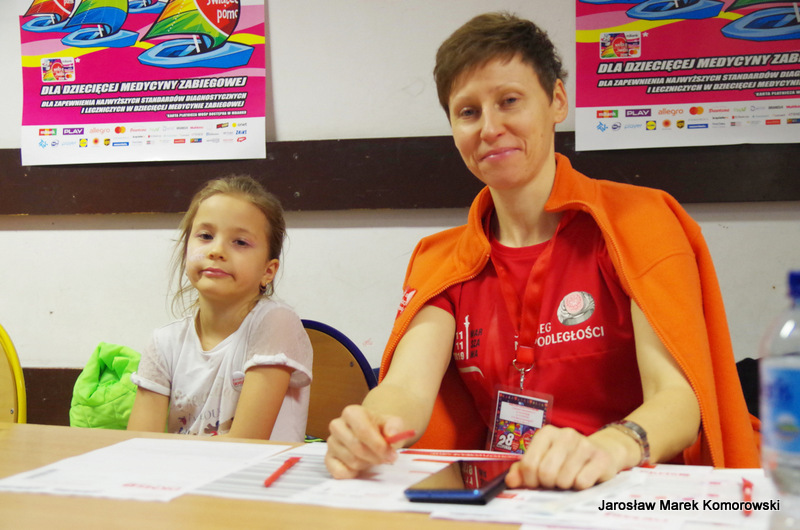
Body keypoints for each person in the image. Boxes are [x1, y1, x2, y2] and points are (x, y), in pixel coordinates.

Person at [324, 12, 759, 490]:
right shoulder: (441, 259)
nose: (490, 128)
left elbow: (677, 398)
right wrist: (371, 428)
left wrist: (609, 447)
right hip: (510, 494)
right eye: (468, 112)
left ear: (557, 101)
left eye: (509, 101)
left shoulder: (640, 222)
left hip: (630, 489)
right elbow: (406, 388)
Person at [128, 175, 312, 441]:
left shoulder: (276, 322)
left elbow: (244, 444)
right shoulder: (163, 342)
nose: (216, 250)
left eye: (240, 242)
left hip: (252, 469)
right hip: (183, 468)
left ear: (268, 271)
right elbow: (138, 446)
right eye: (205, 236)